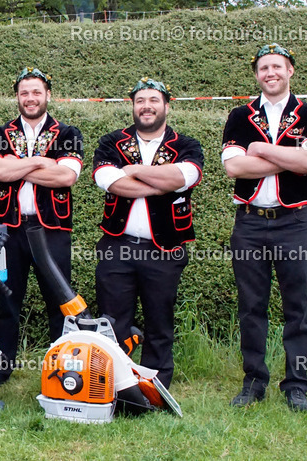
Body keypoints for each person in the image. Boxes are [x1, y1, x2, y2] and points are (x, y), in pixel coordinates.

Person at [222, 44, 307, 412]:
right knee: (252, 306)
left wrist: (259, 149)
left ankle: (296, 385)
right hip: (250, 222)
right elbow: (235, 169)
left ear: (290, 71)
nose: (271, 73)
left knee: (297, 308)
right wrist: (288, 157)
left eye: (277, 66)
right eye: (264, 67)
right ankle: (253, 383)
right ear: (257, 74)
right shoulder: (240, 115)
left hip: (294, 223)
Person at [92, 78, 204, 387]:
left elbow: (184, 178)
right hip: (117, 246)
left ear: (167, 105)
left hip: (166, 248)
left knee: (160, 322)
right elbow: (110, 182)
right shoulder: (111, 142)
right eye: (140, 100)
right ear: (133, 106)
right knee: (113, 323)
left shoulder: (186, 144)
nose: (146, 106)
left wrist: (135, 170)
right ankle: (115, 384)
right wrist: (160, 182)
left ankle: (157, 386)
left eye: (153, 100)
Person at [0, 67, 83, 389]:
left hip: (52, 229)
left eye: (36, 92)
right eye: (24, 92)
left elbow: (66, 177)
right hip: (9, 232)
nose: (30, 98)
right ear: (17, 96)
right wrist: (41, 162)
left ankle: (63, 368)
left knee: (60, 302)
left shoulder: (68, 133)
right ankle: (0, 369)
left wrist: (17, 167)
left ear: (47, 95)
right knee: (7, 301)